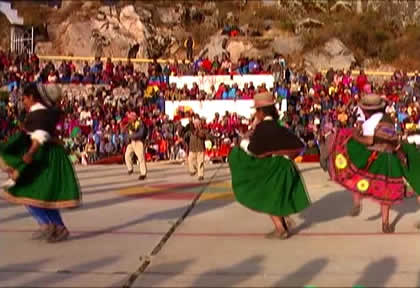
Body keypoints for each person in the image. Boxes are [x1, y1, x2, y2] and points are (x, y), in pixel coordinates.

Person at [0, 83, 81, 242]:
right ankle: (51, 225)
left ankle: (52, 225)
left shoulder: (40, 113)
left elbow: (40, 136)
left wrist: (30, 153)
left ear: (31, 97)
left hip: (44, 156)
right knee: (39, 193)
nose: (23, 101)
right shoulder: (40, 112)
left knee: (29, 189)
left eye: (24, 98)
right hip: (44, 155)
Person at [328, 94, 420, 233]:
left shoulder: (371, 122)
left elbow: (369, 141)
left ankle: (357, 202)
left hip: (376, 156)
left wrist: (356, 136)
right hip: (388, 156)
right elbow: (389, 138)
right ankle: (385, 223)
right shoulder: (385, 119)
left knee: (358, 176)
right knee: (386, 192)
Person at [228, 92, 311, 239]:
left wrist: (242, 143)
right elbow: (299, 145)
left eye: (256, 111)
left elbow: (255, 150)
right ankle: (283, 224)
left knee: (267, 195)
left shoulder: (263, 128)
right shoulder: (279, 126)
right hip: (287, 166)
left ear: (260, 112)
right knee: (274, 196)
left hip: (275, 166)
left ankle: (280, 228)